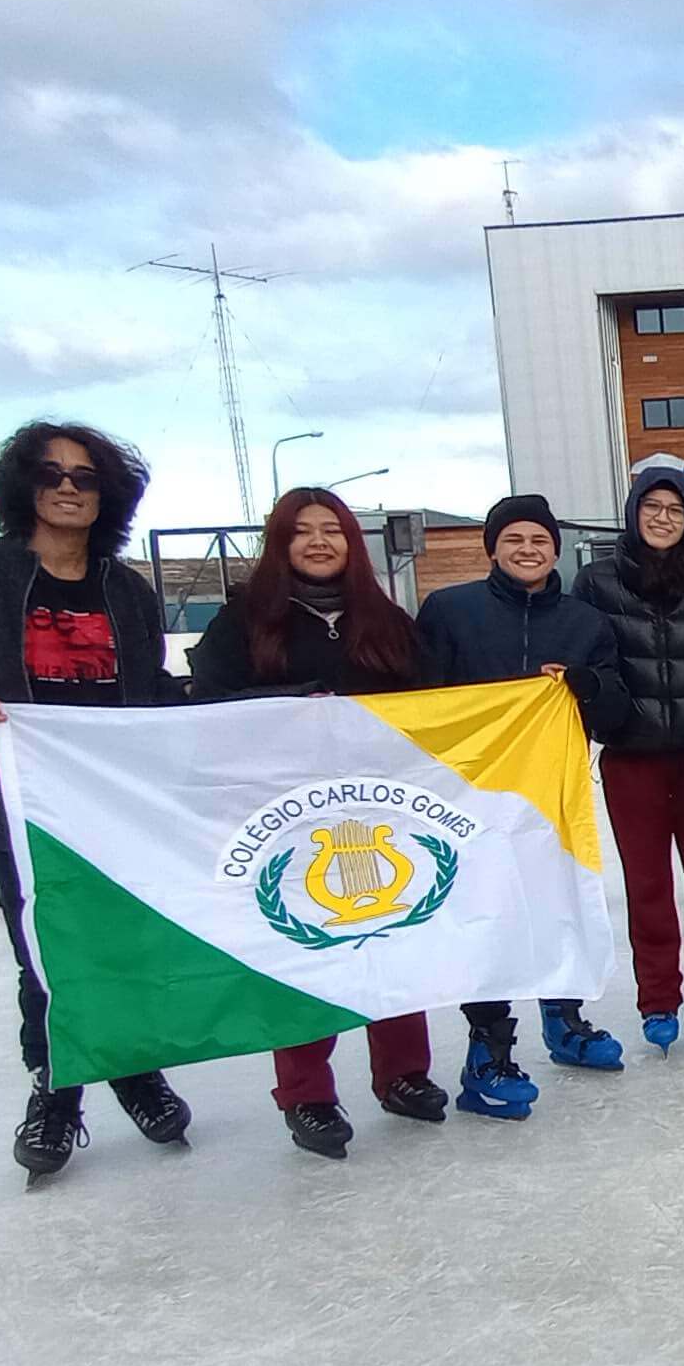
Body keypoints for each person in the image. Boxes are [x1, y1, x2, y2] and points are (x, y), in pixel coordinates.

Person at [0, 419, 192, 1181]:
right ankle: (58, 1088)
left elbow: (151, 694)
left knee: (127, 944)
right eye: (53, 473)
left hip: (117, 804)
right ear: (24, 487)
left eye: (86, 476)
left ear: (110, 494)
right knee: (45, 949)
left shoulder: (125, 591)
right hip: (22, 803)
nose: (69, 487)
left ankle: (132, 1065)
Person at [186, 488, 444, 1155]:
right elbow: (207, 706)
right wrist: (290, 702)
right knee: (301, 946)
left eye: (333, 530)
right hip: (285, 817)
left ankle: (402, 1074)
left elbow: (434, 705)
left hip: (377, 808)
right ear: (281, 543)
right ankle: (306, 1094)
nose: (320, 542)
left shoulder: (384, 618)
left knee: (391, 932)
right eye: (303, 532)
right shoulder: (246, 619)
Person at [417, 494, 628, 1116]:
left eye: (540, 540)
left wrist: (585, 686)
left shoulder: (584, 622)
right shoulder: (450, 610)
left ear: (556, 551)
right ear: (492, 548)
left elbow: (616, 710)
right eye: (514, 540)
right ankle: (487, 1050)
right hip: (468, 798)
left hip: (549, 799)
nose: (528, 549)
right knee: (488, 916)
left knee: (556, 904)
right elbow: (418, 695)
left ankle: (564, 1021)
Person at [573, 465, 684, 1053]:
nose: (663, 518)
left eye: (675, 509)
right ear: (633, 513)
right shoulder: (595, 582)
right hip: (632, 758)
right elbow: (581, 658)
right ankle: (658, 1000)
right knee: (648, 888)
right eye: (653, 507)